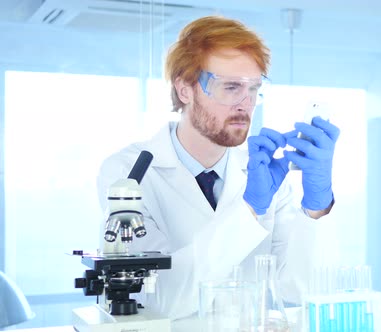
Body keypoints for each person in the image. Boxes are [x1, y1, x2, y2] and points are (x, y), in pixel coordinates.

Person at [96, 15, 340, 321]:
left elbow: (300, 289)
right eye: (231, 87)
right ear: (185, 89)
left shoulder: (265, 173)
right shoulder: (128, 173)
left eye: (253, 89)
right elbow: (158, 298)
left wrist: (316, 207)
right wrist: (249, 210)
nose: (245, 103)